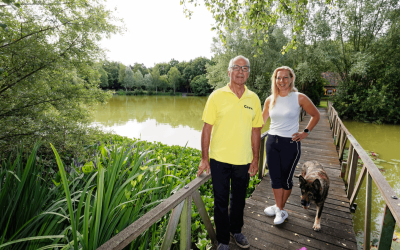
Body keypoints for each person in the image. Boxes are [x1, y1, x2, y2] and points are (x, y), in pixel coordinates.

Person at [197, 55, 263, 250]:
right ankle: (223, 240)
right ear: (229, 71)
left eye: (245, 68)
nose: (241, 71)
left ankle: (237, 231)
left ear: (248, 73)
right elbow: (207, 129)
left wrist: (256, 159)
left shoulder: (254, 98)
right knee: (220, 201)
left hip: (243, 160)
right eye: (236, 67)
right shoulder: (216, 96)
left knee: (239, 200)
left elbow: (256, 130)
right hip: (219, 159)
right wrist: (204, 158)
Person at [262, 66, 320, 225]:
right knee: (275, 179)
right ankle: (278, 207)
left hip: (290, 144)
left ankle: (280, 210)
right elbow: (261, 122)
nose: (281, 81)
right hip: (272, 142)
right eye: (278, 78)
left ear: (291, 79)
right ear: (274, 80)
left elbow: (316, 115)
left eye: (285, 77)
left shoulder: (299, 98)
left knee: (286, 180)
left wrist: (305, 132)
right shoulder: (270, 99)